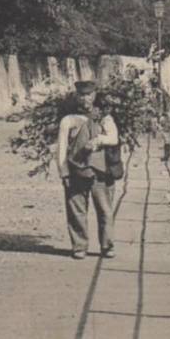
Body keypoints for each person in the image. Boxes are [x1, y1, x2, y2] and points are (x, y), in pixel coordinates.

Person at [56, 80, 119, 260]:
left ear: (95, 95)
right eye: (82, 95)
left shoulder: (104, 117)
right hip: (76, 171)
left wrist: (98, 141)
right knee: (76, 210)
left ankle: (107, 246)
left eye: (89, 94)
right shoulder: (68, 120)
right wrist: (64, 172)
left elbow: (113, 138)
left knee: (105, 210)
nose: (85, 98)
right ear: (76, 97)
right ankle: (79, 247)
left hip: (100, 171)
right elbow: (61, 148)